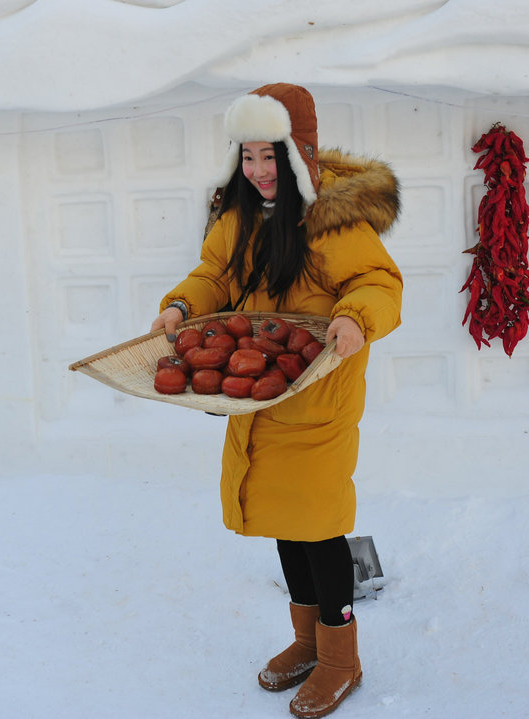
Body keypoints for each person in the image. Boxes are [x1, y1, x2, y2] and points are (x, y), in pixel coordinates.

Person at [150, 83, 402, 719]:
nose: (260, 171)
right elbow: (214, 275)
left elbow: (377, 282)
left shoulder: (333, 221)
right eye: (249, 156)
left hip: (320, 400)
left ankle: (342, 658)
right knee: (284, 525)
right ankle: (307, 640)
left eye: (271, 156)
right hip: (263, 396)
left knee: (319, 529)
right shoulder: (237, 220)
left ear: (299, 154)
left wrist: (354, 318)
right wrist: (182, 306)